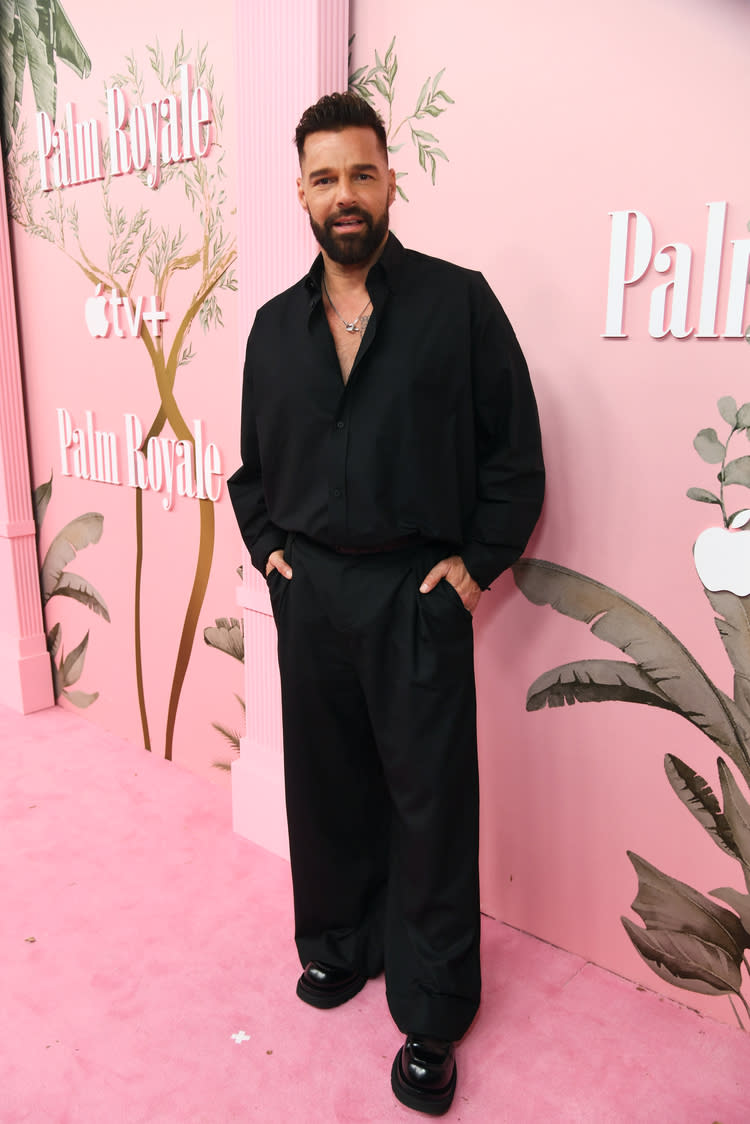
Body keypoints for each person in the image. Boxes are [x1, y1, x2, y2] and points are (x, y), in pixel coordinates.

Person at [228, 90, 544, 1117]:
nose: (345, 194)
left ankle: (433, 1009)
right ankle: (335, 945)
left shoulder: (460, 304)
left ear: (391, 178)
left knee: (429, 804)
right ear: (303, 194)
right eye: (325, 177)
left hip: (417, 593)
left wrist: (476, 562)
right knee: (324, 788)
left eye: (362, 172)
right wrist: (272, 550)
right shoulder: (274, 328)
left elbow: (513, 453)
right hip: (311, 591)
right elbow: (253, 469)